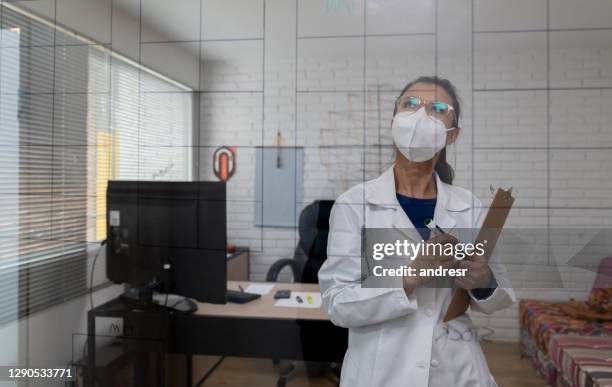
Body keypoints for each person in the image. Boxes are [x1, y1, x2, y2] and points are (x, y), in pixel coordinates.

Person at [318, 76, 516, 387]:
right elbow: (338, 304)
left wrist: (484, 282)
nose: (420, 115)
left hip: (456, 370)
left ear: (452, 135)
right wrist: (408, 279)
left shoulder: (468, 206)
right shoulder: (354, 205)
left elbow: (500, 295)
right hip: (381, 372)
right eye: (410, 104)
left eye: (437, 108)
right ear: (394, 120)